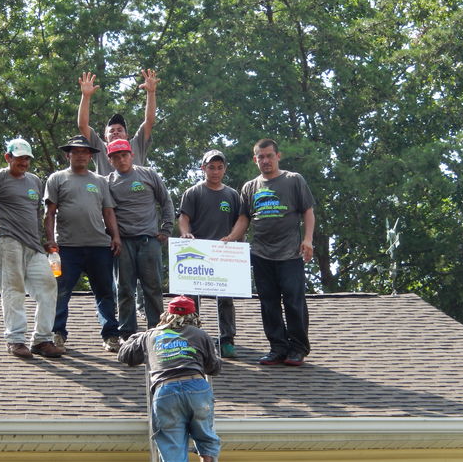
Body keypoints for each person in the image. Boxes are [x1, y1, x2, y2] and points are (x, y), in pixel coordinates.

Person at [118, 295, 221, 462]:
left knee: (171, 451)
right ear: (192, 315)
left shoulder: (152, 335)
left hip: (166, 391)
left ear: (168, 314)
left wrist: (139, 337)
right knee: (204, 431)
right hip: (196, 387)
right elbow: (214, 368)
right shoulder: (201, 335)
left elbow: (125, 356)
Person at [0, 138, 61, 359]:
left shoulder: (35, 181)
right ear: (8, 157)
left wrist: (45, 240)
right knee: (13, 289)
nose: (24, 162)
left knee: (48, 285)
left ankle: (42, 340)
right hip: (8, 241)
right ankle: (16, 340)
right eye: (19, 158)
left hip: (33, 246)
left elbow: (35, 214)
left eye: (27, 158)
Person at [221, 138, 315, 366]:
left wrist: (308, 240)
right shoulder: (250, 187)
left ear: (278, 156)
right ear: (255, 160)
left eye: (269, 156)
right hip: (261, 254)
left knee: (294, 302)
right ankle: (277, 347)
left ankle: (298, 348)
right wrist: (232, 238)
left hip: (290, 253)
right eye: (261, 157)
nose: (265, 160)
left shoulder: (293, 180)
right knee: (268, 303)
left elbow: (308, 211)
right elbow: (244, 218)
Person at [44, 135, 122, 353]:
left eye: (84, 152)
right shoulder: (57, 178)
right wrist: (51, 240)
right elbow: (49, 213)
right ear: (68, 154)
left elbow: (108, 211)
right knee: (60, 291)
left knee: (105, 292)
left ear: (90, 155)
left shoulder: (99, 181)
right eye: (76, 151)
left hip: (99, 245)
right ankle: (57, 333)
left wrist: (115, 236)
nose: (80, 155)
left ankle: (111, 335)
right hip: (67, 247)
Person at [106, 139, 175, 342]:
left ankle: (157, 331)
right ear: (110, 160)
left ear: (132, 155)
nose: (121, 159)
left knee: (152, 287)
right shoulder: (107, 181)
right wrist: (112, 237)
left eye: (124, 155)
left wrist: (167, 228)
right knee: (124, 288)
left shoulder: (148, 174)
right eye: (116, 157)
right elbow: (106, 213)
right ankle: (127, 333)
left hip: (149, 240)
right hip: (123, 241)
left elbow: (166, 201)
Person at [179, 150, 241, 358]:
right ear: (203, 168)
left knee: (225, 299)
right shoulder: (193, 192)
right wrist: (185, 233)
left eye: (219, 167)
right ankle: (193, 337)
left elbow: (240, 221)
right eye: (211, 167)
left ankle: (227, 339)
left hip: (223, 253)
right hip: (198, 253)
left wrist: (232, 237)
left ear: (225, 169)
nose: (215, 171)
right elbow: (184, 217)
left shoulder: (232, 195)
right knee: (192, 297)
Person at [77, 69, 159, 175]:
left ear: (126, 136)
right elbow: (82, 126)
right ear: (105, 137)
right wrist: (85, 96)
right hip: (107, 191)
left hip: (136, 190)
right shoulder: (100, 148)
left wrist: (151, 92)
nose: (115, 132)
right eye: (111, 131)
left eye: (120, 130)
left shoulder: (136, 145)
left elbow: (149, 121)